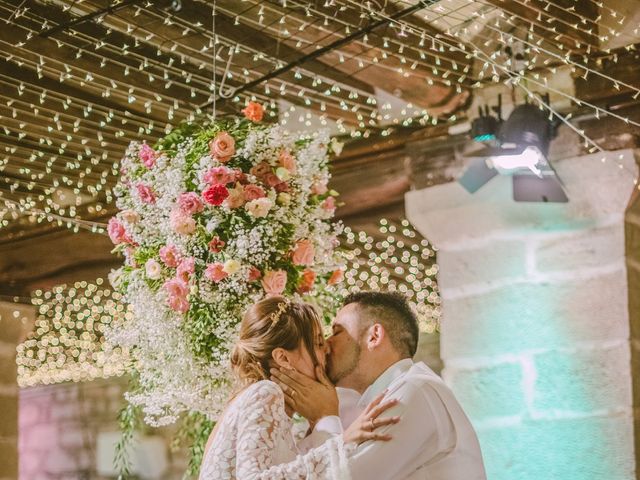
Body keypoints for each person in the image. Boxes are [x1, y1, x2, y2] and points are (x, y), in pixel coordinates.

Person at [271, 291, 487, 480]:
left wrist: (325, 417)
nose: (326, 345)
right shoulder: (401, 392)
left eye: (337, 332)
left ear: (374, 336)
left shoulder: (415, 391)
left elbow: (343, 477)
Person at [198, 296, 399, 480]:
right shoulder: (265, 392)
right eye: (318, 343)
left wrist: (322, 422)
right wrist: (340, 444)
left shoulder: (270, 405)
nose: (327, 350)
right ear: (283, 358)